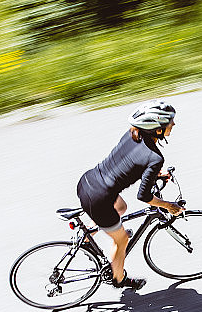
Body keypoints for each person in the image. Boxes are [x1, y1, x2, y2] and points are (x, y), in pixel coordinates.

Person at [77, 100, 185, 289]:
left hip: (88, 182)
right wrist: (168, 205)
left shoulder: (131, 135)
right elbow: (143, 196)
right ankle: (118, 278)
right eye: (169, 122)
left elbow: (128, 162)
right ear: (157, 129)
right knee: (122, 240)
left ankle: (88, 234)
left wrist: (154, 174)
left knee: (121, 207)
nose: (173, 125)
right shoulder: (155, 158)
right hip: (100, 197)